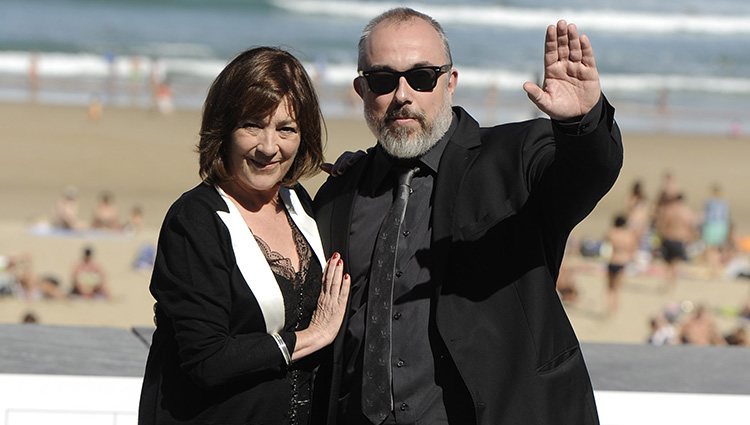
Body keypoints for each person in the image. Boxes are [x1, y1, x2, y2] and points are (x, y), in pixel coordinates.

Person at [313, 8, 622, 425]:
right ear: (362, 90)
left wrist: (580, 123)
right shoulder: (341, 192)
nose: (403, 95)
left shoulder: (515, 157)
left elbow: (585, 175)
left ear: (451, 82)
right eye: (383, 80)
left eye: (422, 77)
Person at [138, 47, 350, 425]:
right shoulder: (195, 221)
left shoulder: (299, 202)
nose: (269, 147)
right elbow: (207, 360)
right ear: (223, 129)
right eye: (252, 124)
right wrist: (313, 336)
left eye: (286, 128)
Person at [654, 192, 698, 292]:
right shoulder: (687, 212)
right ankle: (672, 285)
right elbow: (692, 227)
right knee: (675, 264)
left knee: (668, 264)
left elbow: (660, 225)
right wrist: (691, 238)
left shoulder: (668, 210)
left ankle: (667, 283)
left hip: (668, 239)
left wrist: (660, 238)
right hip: (679, 240)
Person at [604, 214, 638, 314]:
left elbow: (605, 242)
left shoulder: (612, 233)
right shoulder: (629, 235)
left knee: (610, 287)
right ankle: (615, 308)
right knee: (617, 288)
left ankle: (609, 307)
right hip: (623, 262)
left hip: (612, 260)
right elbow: (633, 249)